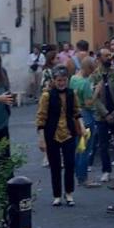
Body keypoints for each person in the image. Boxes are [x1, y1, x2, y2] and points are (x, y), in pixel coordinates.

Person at [37, 65, 83, 207]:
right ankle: (56, 195)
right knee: (55, 165)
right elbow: (41, 118)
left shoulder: (71, 94)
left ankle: (69, 193)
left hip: (68, 132)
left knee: (70, 164)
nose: (61, 83)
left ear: (67, 80)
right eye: (58, 80)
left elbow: (77, 112)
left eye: (63, 80)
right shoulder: (47, 96)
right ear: (54, 81)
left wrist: (81, 127)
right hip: (52, 133)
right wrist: (42, 138)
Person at [93, 47, 114, 179]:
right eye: (106, 56)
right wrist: (106, 114)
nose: (109, 58)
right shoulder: (95, 75)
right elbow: (94, 98)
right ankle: (106, 171)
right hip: (102, 116)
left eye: (110, 56)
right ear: (99, 58)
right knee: (103, 144)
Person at [71, 56, 100, 187]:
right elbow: (89, 103)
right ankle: (83, 177)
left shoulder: (73, 79)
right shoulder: (85, 83)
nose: (92, 73)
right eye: (91, 70)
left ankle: (77, 173)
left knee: (78, 147)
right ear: (88, 68)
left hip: (75, 115)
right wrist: (96, 91)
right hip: (87, 116)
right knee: (85, 148)